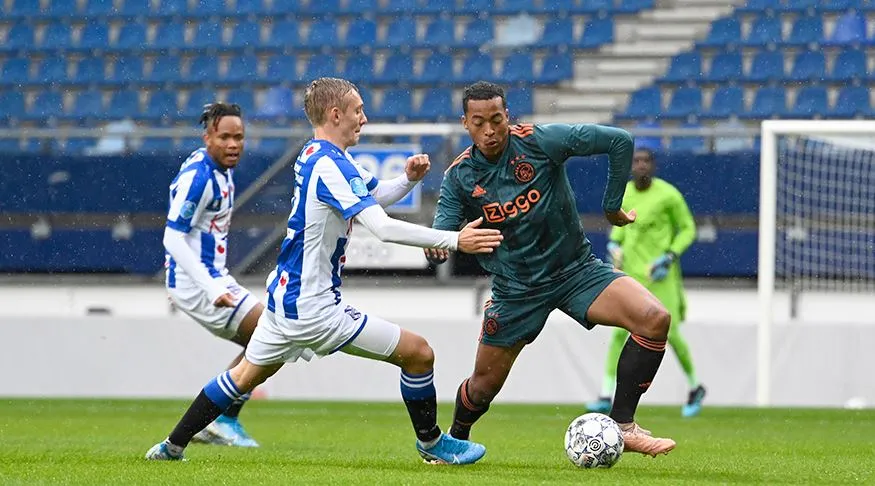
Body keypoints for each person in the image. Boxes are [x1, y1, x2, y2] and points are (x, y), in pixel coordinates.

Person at [146, 77, 503, 464]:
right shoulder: (330, 165)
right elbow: (381, 227)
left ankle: (171, 446)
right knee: (419, 354)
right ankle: (432, 444)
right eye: (358, 111)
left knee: (243, 375)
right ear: (336, 114)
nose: (364, 118)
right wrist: (455, 239)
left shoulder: (318, 154)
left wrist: (407, 180)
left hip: (284, 299)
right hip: (314, 308)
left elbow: (374, 195)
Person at [425, 81, 676, 457]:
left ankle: (624, 426)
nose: (490, 130)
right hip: (517, 290)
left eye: (496, 120)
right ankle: (456, 439)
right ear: (465, 123)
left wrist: (611, 207)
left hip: (576, 271)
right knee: (482, 387)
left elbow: (619, 141)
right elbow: (438, 239)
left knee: (654, 319)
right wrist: (449, 244)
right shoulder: (460, 176)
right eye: (479, 123)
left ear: (507, 116)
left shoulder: (540, 142)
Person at [163, 102, 262, 447]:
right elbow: (172, 236)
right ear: (207, 138)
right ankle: (222, 418)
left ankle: (221, 418)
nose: (233, 144)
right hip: (200, 283)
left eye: (239, 137)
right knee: (273, 335)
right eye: (224, 138)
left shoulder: (219, 168)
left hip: (210, 277)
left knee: (270, 340)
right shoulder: (200, 177)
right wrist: (206, 286)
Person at [587, 148, 706, 418]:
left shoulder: (668, 195)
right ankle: (606, 394)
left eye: (646, 161)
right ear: (631, 166)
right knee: (619, 333)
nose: (641, 165)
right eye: (636, 161)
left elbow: (688, 228)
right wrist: (614, 246)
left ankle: (694, 386)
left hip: (660, 277)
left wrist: (670, 255)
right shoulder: (625, 193)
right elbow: (619, 229)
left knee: (671, 333)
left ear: (653, 166)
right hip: (632, 276)